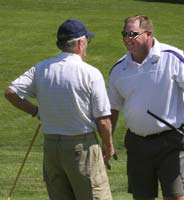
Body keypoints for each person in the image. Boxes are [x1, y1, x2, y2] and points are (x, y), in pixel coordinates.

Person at [4, 19, 114, 200]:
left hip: (51, 149)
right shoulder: (90, 73)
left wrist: (36, 112)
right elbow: (103, 120)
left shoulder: (41, 68)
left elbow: (11, 92)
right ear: (81, 43)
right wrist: (108, 146)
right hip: (82, 148)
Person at [108, 15, 184, 200]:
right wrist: (108, 140)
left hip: (172, 140)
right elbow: (113, 108)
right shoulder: (119, 69)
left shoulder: (172, 57)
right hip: (137, 144)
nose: (127, 38)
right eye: (124, 34)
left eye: (132, 34)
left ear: (149, 34)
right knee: (142, 197)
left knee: (175, 196)